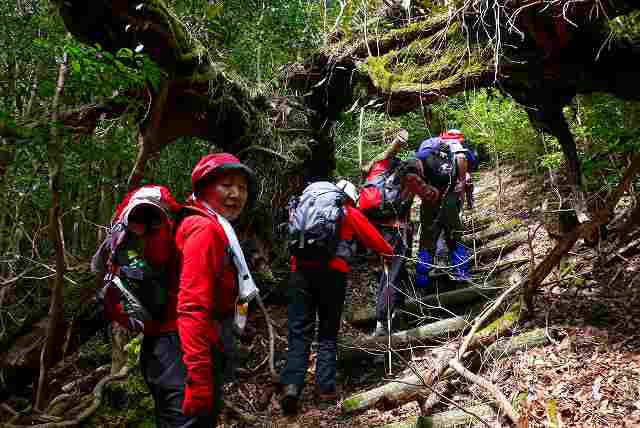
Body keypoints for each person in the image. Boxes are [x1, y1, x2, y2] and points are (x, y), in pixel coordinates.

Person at [141, 153, 257, 427]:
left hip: (178, 349)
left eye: (241, 188)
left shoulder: (210, 225)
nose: (236, 194)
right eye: (226, 185)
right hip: (180, 353)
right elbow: (192, 306)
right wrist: (198, 377)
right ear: (204, 188)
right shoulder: (204, 229)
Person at [279, 179, 393, 415]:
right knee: (328, 334)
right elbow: (374, 239)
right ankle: (325, 389)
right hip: (333, 273)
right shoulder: (346, 210)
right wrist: (389, 254)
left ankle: (291, 386)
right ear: (349, 197)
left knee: (299, 330)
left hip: (299, 271)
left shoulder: (304, 205)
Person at [358, 129, 441, 338]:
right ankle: (382, 323)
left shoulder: (378, 169)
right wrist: (438, 190)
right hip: (396, 232)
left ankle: (398, 313)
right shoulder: (410, 174)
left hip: (375, 229)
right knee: (391, 275)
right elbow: (429, 195)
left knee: (396, 271)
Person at [415, 129, 471, 287]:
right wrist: (460, 182)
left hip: (429, 200)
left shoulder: (426, 146)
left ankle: (422, 284)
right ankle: (463, 275)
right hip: (450, 199)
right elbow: (461, 157)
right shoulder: (454, 144)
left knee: (426, 241)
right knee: (455, 238)